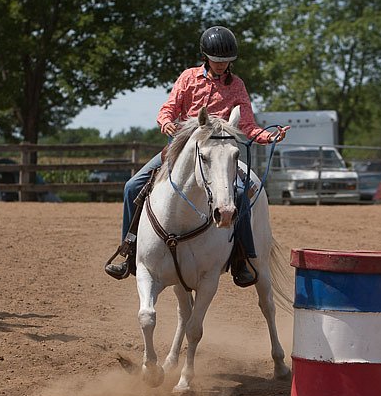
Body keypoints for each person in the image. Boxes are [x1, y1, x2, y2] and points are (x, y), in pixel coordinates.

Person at [104, 25, 289, 286]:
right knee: (132, 186)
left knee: (240, 194)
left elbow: (246, 124)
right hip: (181, 150)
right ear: (206, 57)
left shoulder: (237, 86)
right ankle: (129, 250)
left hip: (219, 153)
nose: (222, 65)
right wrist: (166, 121)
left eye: (227, 61)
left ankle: (242, 259)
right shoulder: (188, 78)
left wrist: (268, 137)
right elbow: (169, 108)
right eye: (217, 60)